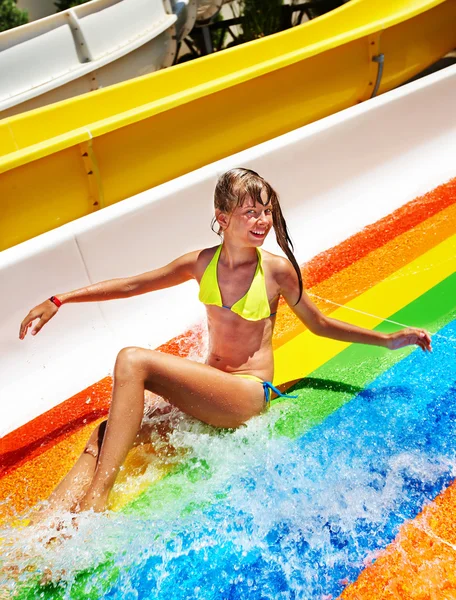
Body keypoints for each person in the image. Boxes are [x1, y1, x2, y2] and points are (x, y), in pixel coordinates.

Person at [19, 168, 432, 515]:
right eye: (251, 211)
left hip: (247, 395)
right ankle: (54, 525)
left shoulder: (276, 271)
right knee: (104, 436)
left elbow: (320, 324)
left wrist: (388, 340)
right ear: (222, 216)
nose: (262, 221)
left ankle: (96, 502)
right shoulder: (201, 263)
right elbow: (133, 285)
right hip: (210, 390)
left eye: (266, 211)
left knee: (133, 360)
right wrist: (60, 298)